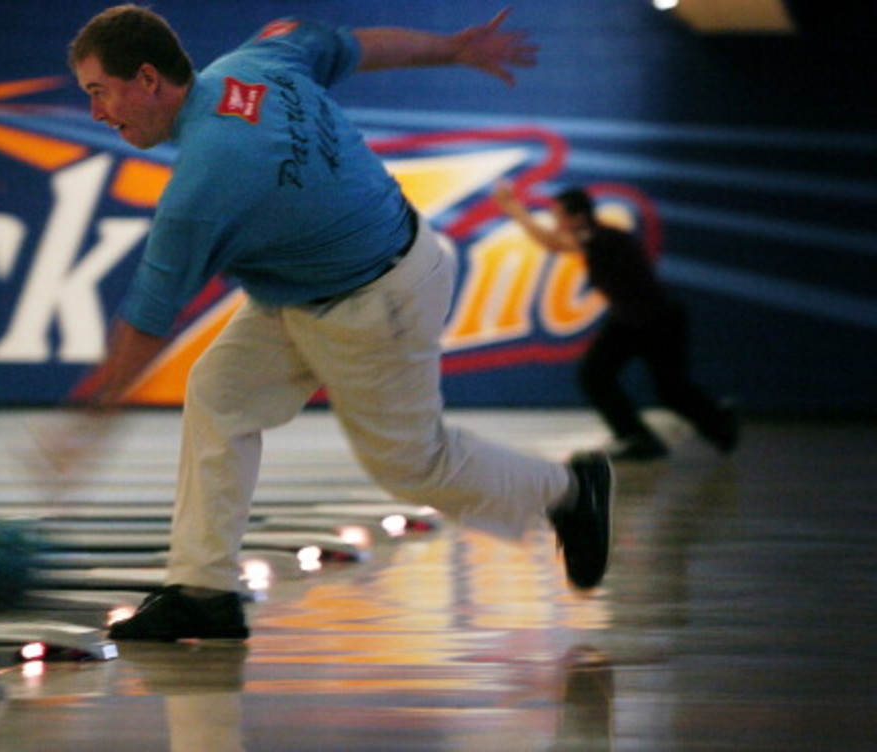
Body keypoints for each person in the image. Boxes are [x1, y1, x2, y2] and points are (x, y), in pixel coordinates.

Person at [66, 4, 613, 642]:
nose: (98, 113)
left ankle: (569, 490)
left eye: (100, 93)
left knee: (412, 466)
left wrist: (90, 419)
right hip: (313, 287)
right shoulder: (258, 61)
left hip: (376, 298)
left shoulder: (203, 184)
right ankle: (203, 590)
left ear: (150, 79)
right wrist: (453, 49)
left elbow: (147, 323)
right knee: (221, 392)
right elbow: (355, 46)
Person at [494, 182, 739, 460]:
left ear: (578, 217)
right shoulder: (601, 236)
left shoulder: (600, 237)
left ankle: (714, 423)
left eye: (560, 216)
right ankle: (642, 436)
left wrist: (513, 208)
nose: (557, 223)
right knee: (597, 376)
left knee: (667, 388)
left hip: (656, 320)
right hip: (632, 319)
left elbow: (552, 242)